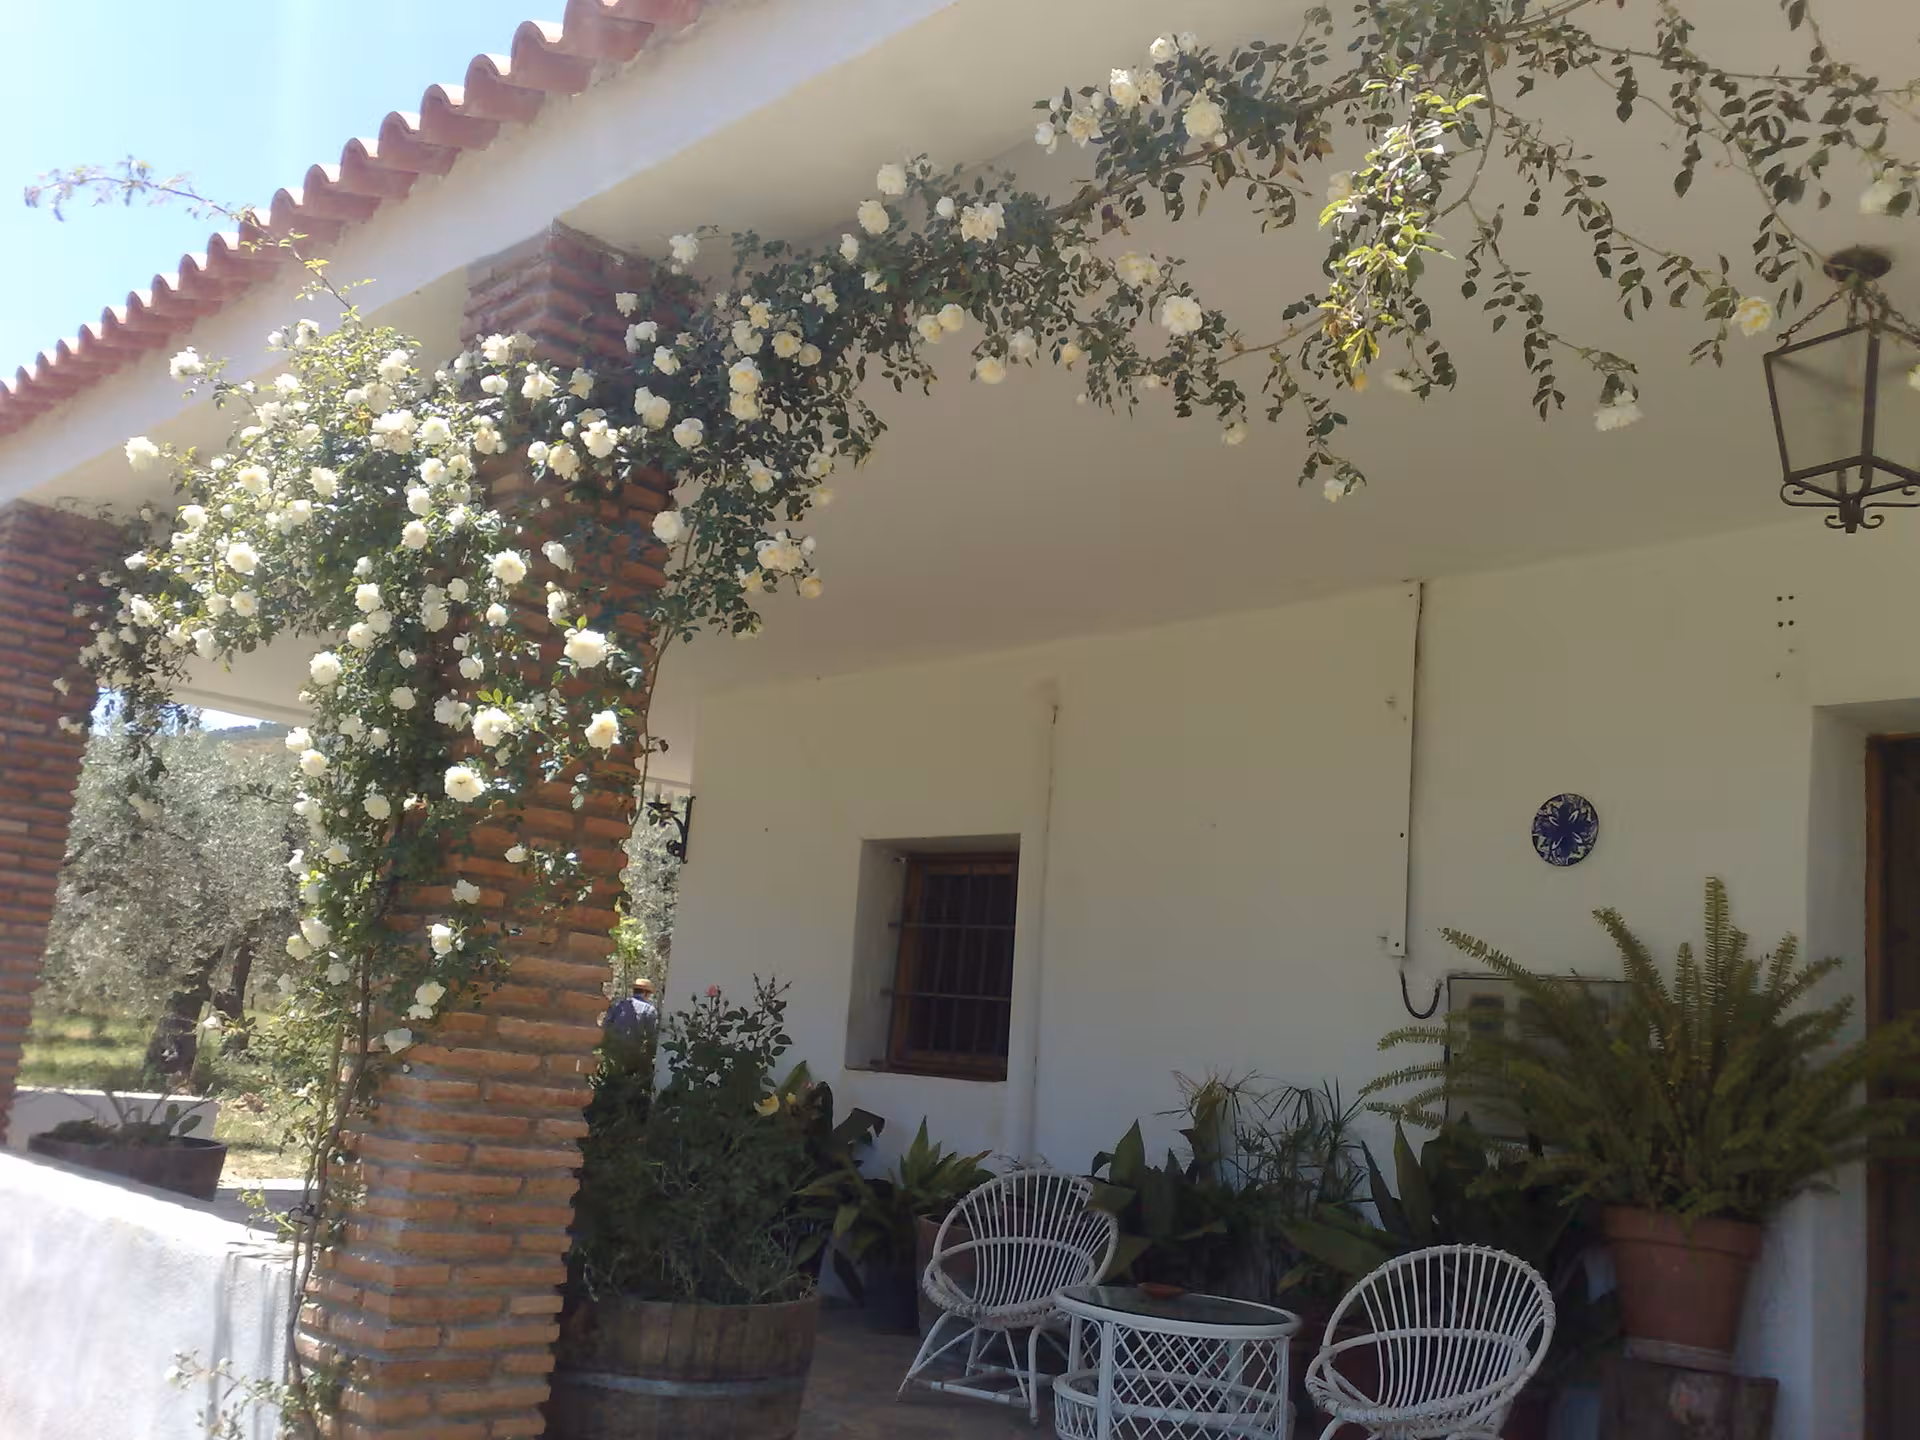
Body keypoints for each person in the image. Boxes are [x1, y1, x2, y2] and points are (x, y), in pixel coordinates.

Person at [604, 976, 659, 1046]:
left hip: (613, 1048)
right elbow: (652, 1035)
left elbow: (606, 1025)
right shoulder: (649, 1009)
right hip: (634, 1051)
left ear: (634, 991)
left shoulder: (618, 1005)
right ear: (645, 993)